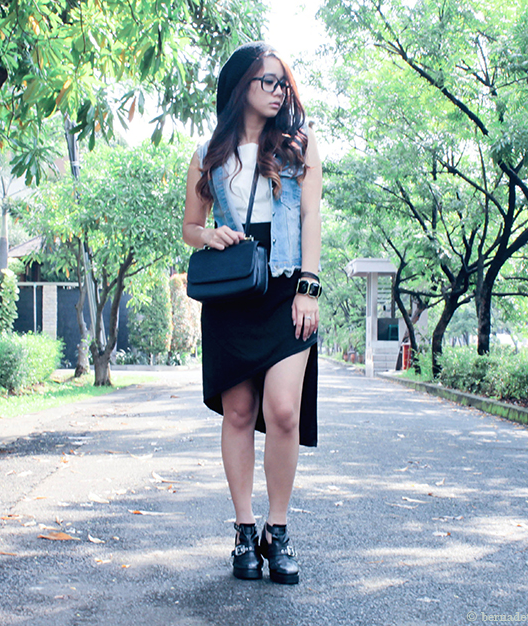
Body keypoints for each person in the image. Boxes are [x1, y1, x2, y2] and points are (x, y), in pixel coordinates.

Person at [182, 42, 322, 585]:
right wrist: (210, 235)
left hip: (286, 290)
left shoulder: (299, 145)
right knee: (239, 413)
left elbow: (310, 217)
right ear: (242, 86)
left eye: (283, 82)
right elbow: (190, 226)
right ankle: (244, 530)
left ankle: (276, 530)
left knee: (283, 410)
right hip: (233, 290)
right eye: (268, 81)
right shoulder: (208, 153)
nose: (278, 91)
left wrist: (308, 287)